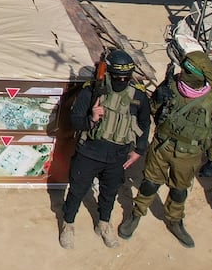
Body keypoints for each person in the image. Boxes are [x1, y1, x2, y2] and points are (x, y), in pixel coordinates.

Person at [119, 49, 212, 248]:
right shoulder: (172, 84)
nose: (184, 77)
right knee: (150, 183)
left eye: (190, 74)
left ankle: (175, 220)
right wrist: (158, 98)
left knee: (179, 190)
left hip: (189, 153)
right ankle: (136, 214)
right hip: (162, 145)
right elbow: (153, 111)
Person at [58, 49, 150, 249]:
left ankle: (104, 224)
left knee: (110, 192)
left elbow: (145, 122)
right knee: (77, 190)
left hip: (118, 155)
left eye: (126, 77)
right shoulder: (92, 91)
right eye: (118, 77)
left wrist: (139, 150)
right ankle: (68, 224)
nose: (122, 81)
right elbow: (74, 121)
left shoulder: (138, 95)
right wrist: (92, 118)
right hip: (89, 152)